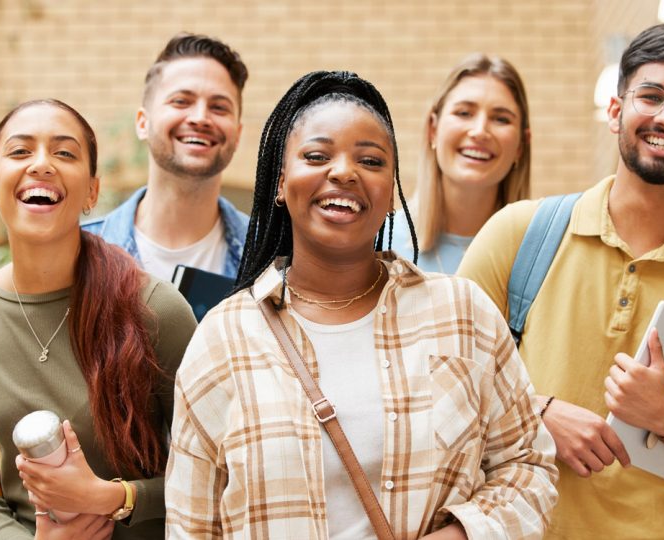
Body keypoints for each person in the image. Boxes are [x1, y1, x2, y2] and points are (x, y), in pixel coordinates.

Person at [165, 71, 557, 539]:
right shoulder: (222, 339)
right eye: (317, 155)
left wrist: (458, 535)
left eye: (370, 161)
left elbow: (529, 466)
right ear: (279, 181)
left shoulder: (463, 313)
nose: (344, 172)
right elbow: (192, 527)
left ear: (391, 192)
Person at [458, 23, 664, 539]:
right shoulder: (517, 236)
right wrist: (536, 413)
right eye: (651, 96)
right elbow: (431, 386)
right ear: (616, 111)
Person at [0, 99, 197, 539]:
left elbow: (216, 472)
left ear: (92, 191)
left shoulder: (155, 310)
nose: (41, 165)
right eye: (20, 152)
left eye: (64, 153)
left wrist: (111, 499)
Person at [82, 32, 249, 282]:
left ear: (237, 134)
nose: (200, 118)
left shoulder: (274, 258)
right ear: (142, 123)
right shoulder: (79, 256)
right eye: (181, 101)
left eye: (219, 107)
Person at [390, 53, 531, 274]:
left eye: (501, 119)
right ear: (433, 130)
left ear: (521, 145)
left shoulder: (541, 257)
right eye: (464, 113)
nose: (480, 131)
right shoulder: (377, 245)